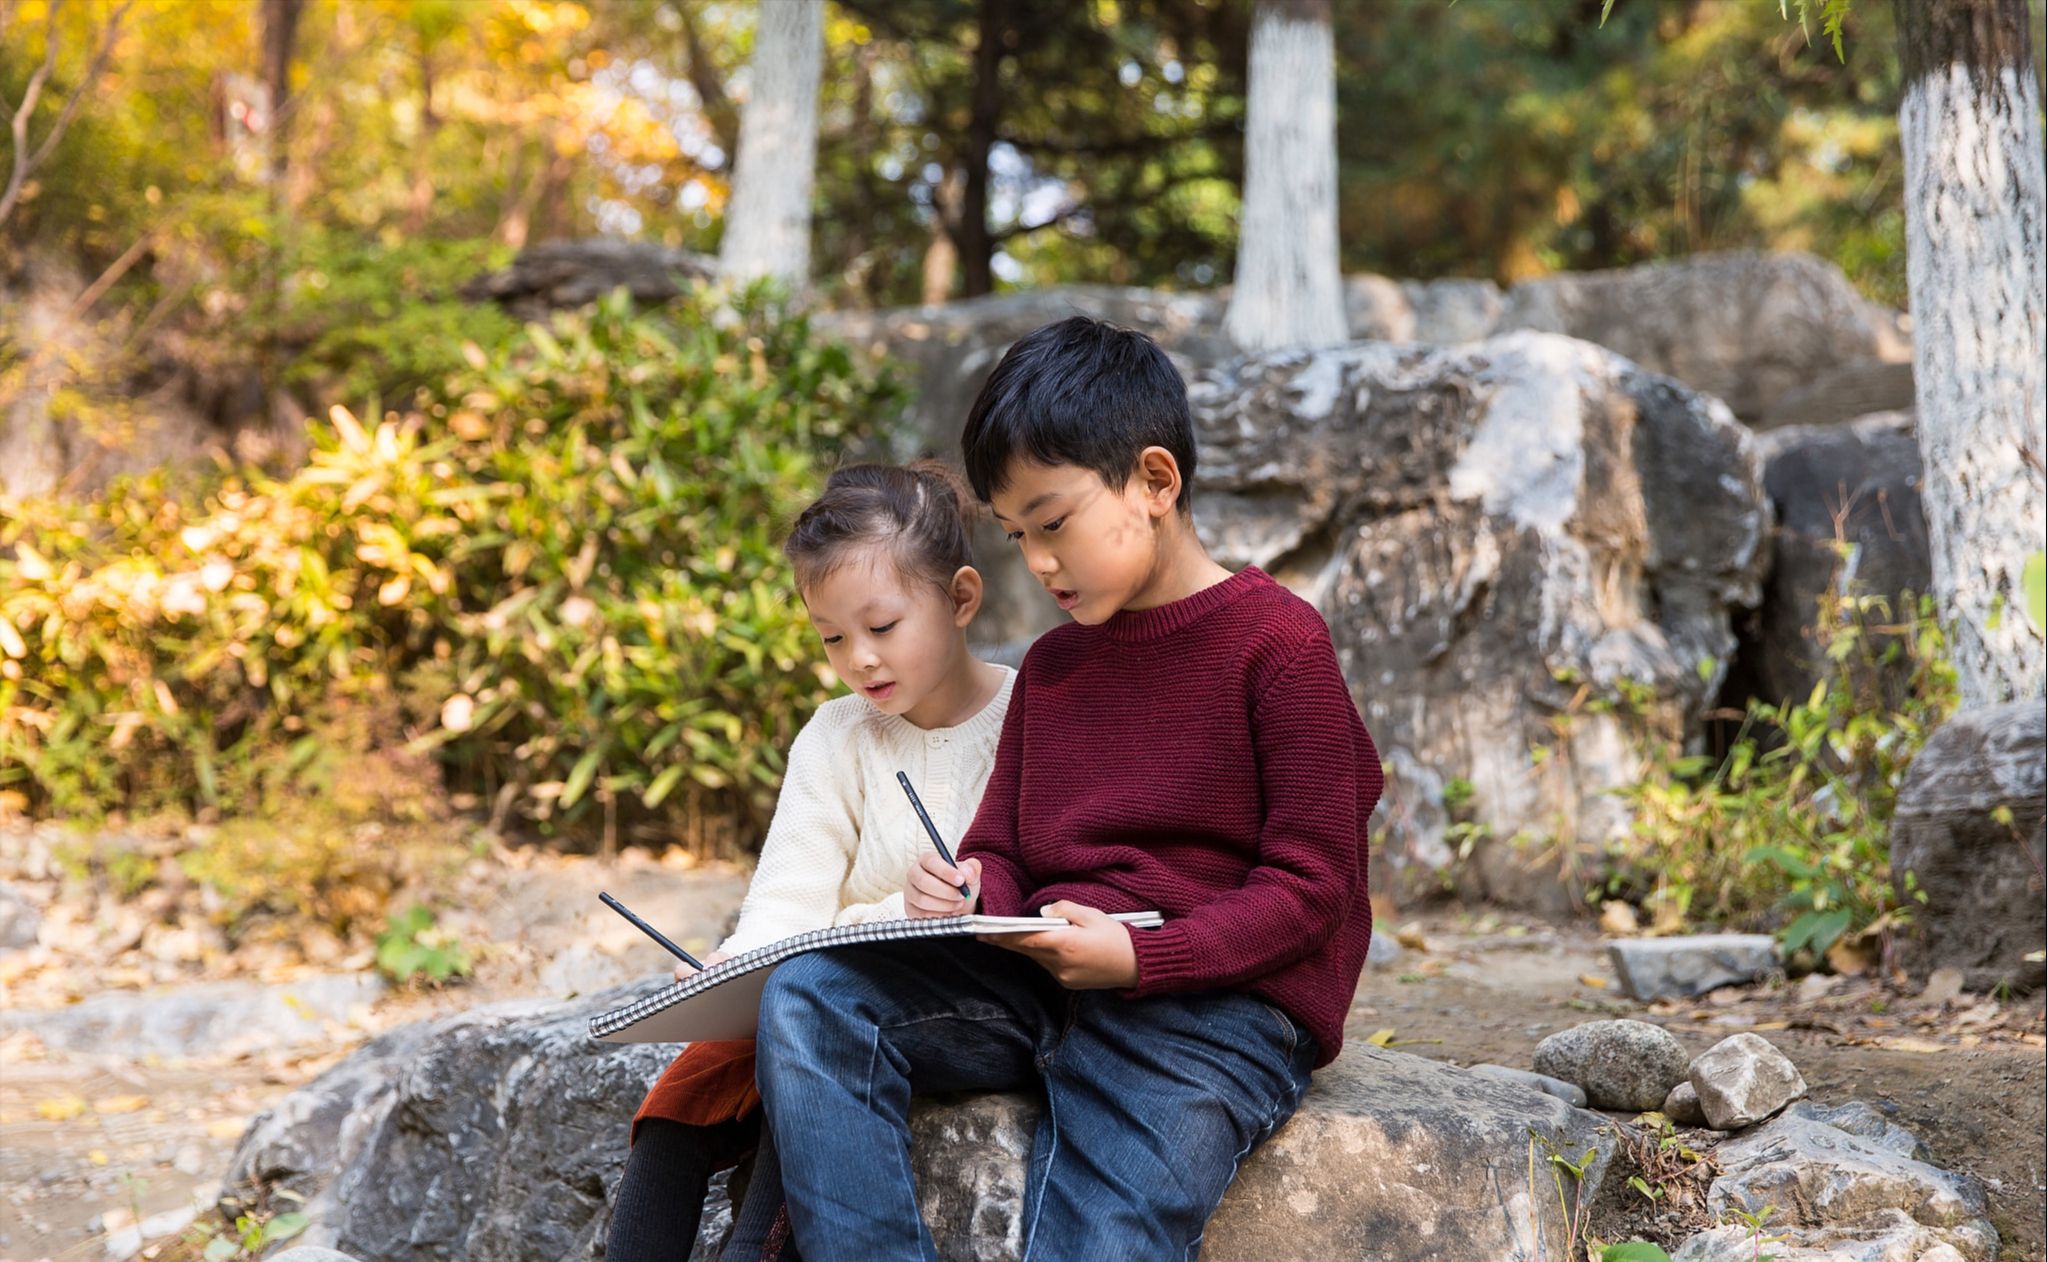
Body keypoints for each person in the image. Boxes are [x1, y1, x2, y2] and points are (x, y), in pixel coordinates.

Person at [745, 315, 1384, 1260]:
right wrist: (970, 890)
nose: (1037, 563)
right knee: (811, 995)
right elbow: (1002, 845)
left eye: (1053, 524)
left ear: (1155, 482)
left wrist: (1141, 963)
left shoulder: (1277, 647)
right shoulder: (1052, 668)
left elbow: (1312, 888)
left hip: (1211, 1012)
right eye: (1015, 535)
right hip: (1041, 981)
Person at [605, 460, 1016, 1261]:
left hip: (955, 998)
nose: (860, 658)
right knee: (688, 1089)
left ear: (961, 598)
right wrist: (731, 968)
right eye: (832, 637)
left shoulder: (1029, 713)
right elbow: (789, 900)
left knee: (805, 1061)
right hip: (819, 983)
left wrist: (949, 900)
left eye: (882, 627)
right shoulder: (836, 733)